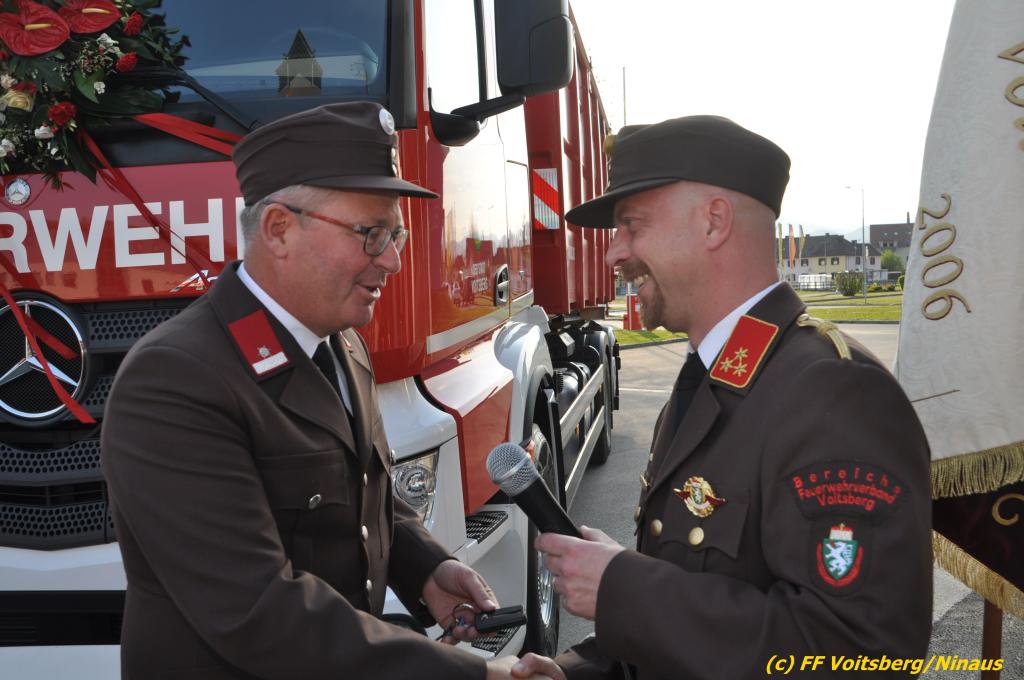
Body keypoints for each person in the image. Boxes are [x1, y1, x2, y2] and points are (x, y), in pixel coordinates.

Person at [101, 102, 561, 680]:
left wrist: (424, 568)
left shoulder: (342, 345)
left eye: (395, 234)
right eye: (371, 235)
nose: (393, 260)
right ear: (279, 230)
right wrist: (469, 674)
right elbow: (257, 611)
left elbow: (361, 489)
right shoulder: (175, 380)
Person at [516, 115, 932, 679]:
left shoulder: (833, 392)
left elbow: (859, 653)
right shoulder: (713, 379)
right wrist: (574, 672)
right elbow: (695, 605)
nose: (614, 254)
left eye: (631, 226)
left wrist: (624, 588)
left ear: (714, 222)